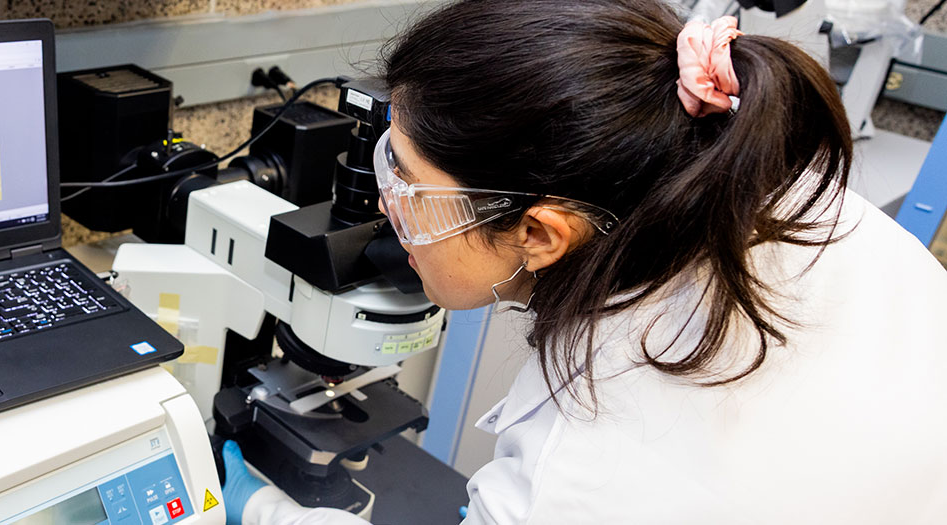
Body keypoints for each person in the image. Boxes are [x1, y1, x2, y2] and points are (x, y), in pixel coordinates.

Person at [218, 0, 947, 523]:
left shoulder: (584, 476)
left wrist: (269, 510)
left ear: (541, 233)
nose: (384, 206)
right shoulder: (801, 200)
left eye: (406, 183)